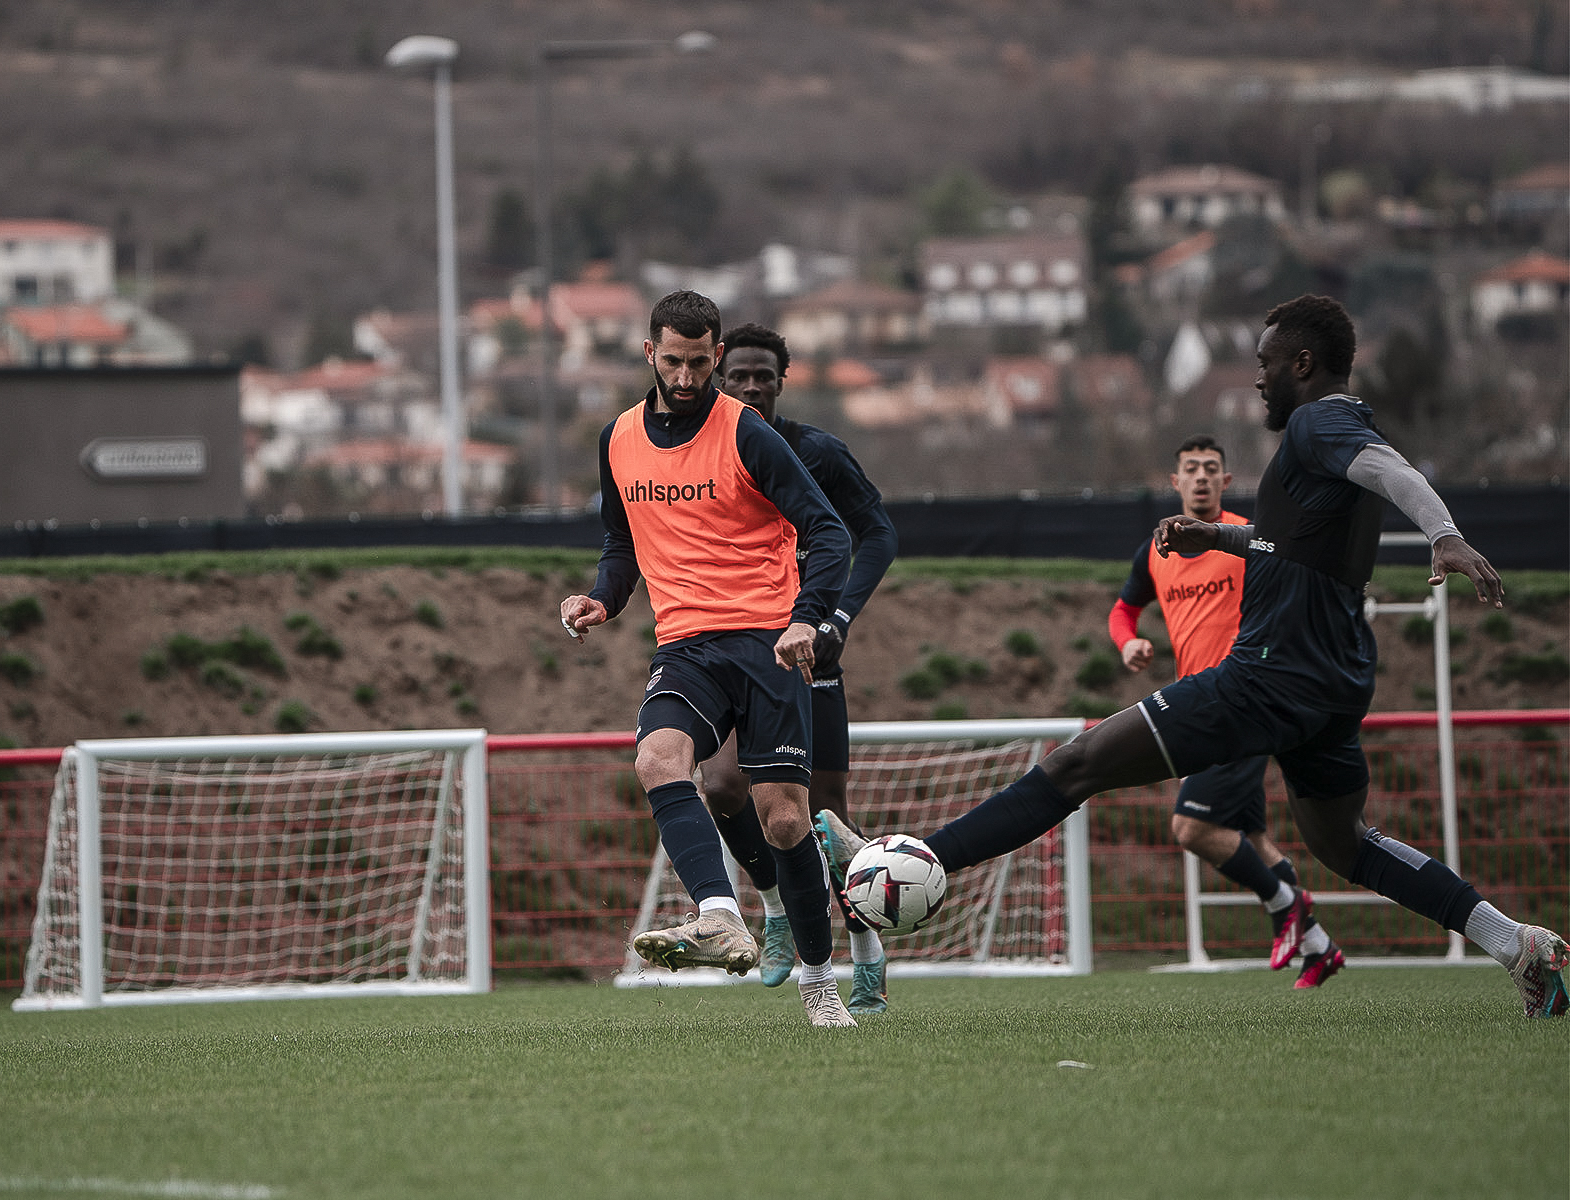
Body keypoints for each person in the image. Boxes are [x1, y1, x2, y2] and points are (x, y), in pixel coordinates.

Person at [818, 294, 1568, 1019]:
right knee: (1343, 844)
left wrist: (1443, 532)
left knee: (1078, 764)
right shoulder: (1319, 444)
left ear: (1302, 363)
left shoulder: (1319, 424)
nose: (1256, 377)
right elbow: (1294, 545)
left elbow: (1393, 471)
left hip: (1270, 674)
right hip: (1335, 679)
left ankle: (918, 861)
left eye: (1266, 362)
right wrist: (1222, 539)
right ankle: (1517, 944)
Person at [559, 290, 860, 1027]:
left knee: (786, 822)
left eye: (700, 362)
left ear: (717, 355)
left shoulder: (749, 433)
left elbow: (829, 531)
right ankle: (720, 914)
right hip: (687, 644)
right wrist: (602, 597)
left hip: (765, 642)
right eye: (674, 361)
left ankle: (821, 979)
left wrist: (807, 620)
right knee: (658, 760)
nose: (688, 377)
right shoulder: (618, 439)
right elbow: (621, 543)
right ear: (648, 354)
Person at [699, 322, 899, 1013]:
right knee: (722, 784)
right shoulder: (705, 452)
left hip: (807, 651)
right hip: (733, 647)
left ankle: (868, 952)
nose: (752, 387)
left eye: (765, 376)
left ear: (783, 381)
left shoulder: (817, 452)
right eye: (740, 376)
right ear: (720, 376)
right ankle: (776, 905)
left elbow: (875, 533)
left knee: (827, 814)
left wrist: (836, 619)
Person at [1111, 434, 1344, 987]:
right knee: (1254, 840)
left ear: (1225, 480)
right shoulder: (1157, 548)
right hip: (1201, 706)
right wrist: (1128, 643)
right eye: (1189, 468)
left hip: (1244, 701)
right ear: (1174, 482)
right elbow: (1124, 609)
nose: (1199, 477)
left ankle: (1283, 903)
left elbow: (1296, 588)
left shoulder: (1248, 539)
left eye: (1210, 468)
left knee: (1191, 827)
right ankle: (1317, 944)